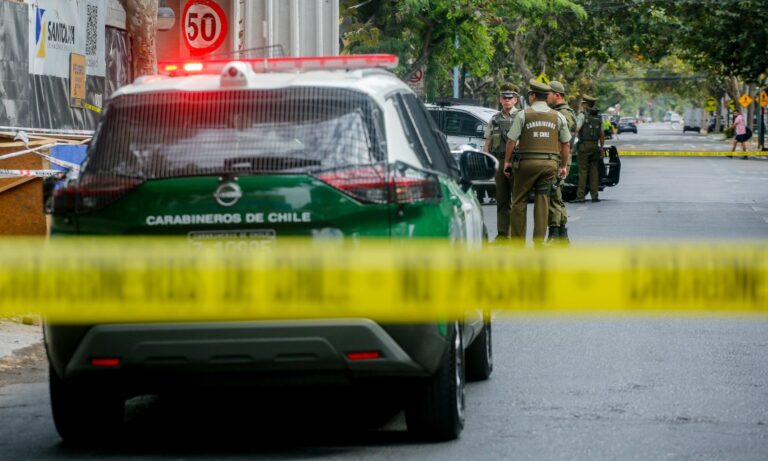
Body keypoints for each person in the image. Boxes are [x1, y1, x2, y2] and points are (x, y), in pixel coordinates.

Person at [503, 79, 571, 245]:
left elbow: (511, 140)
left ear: (532, 96)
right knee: (543, 201)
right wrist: (563, 165)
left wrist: (507, 162)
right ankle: (539, 243)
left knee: (519, 201)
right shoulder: (558, 116)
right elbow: (566, 143)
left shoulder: (523, 114)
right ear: (547, 96)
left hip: (526, 165)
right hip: (549, 165)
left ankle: (518, 243)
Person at [483, 83, 521, 240]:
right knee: (501, 200)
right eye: (504, 98)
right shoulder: (495, 119)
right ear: (500, 99)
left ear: (515, 100)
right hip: (499, 161)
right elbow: (488, 141)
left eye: (510, 98)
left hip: (516, 162)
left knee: (517, 201)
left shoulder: (521, 116)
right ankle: (503, 234)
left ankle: (515, 235)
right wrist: (485, 159)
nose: (507, 101)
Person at [546, 81, 577, 242]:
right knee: (556, 196)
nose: (546, 98)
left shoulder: (564, 114)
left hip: (559, 158)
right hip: (557, 158)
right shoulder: (557, 112)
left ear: (557, 95)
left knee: (553, 196)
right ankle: (562, 235)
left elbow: (563, 139)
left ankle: (554, 233)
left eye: (548, 94)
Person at [574, 95, 604, 203]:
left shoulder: (582, 116)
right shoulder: (599, 118)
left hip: (584, 146)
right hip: (595, 146)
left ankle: (580, 196)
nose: (581, 105)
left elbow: (577, 129)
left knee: (583, 171)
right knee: (594, 171)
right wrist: (601, 148)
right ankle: (594, 196)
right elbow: (601, 135)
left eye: (583, 103)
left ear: (586, 105)